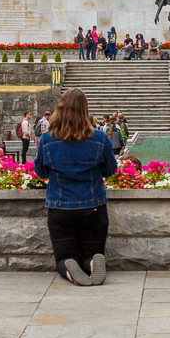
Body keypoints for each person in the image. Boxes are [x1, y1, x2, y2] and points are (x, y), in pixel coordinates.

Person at [34, 88, 119, 286]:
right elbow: (110, 170)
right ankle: (93, 263)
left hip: (60, 207)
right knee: (91, 253)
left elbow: (41, 172)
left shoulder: (47, 139)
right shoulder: (99, 138)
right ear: (84, 110)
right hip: (94, 206)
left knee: (63, 258)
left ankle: (68, 267)